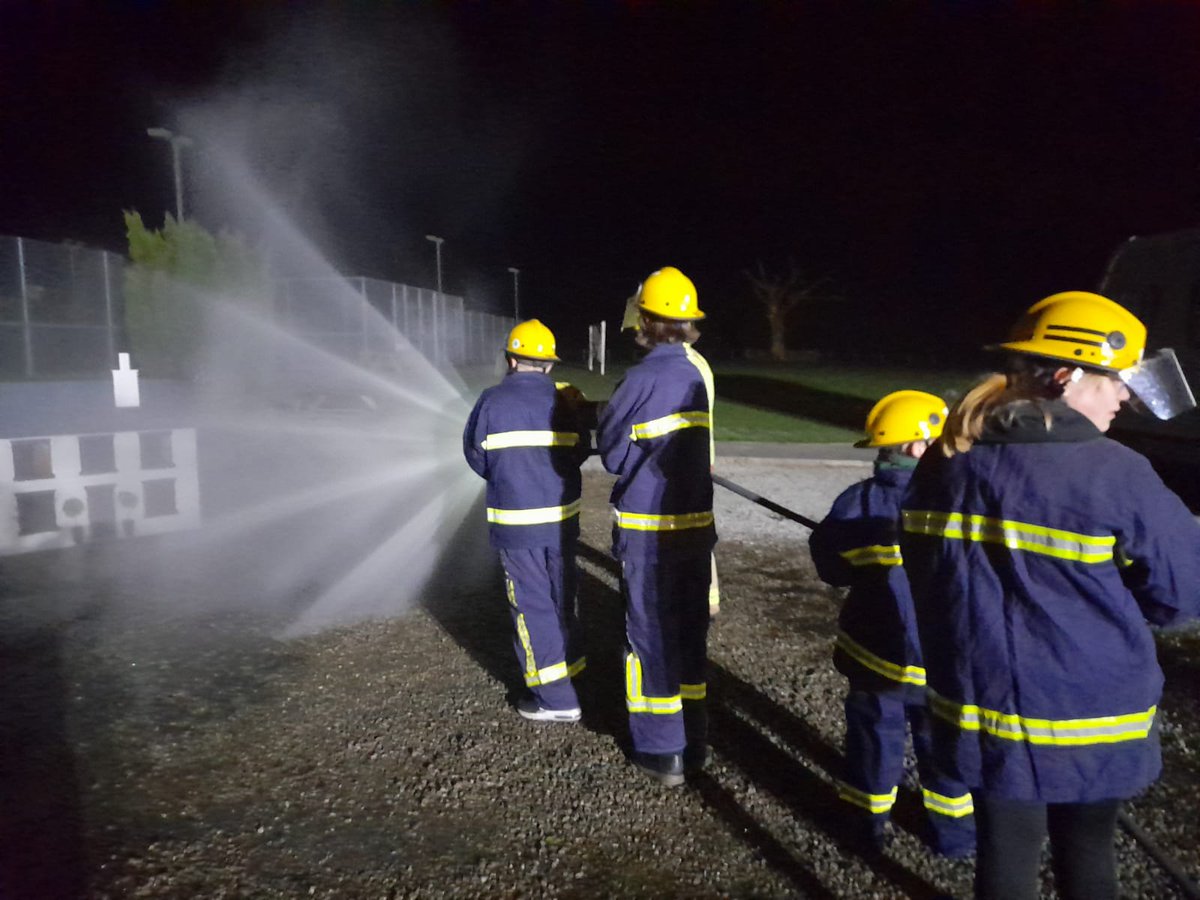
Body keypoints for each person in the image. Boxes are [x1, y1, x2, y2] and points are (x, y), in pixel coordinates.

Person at [899, 291, 1200, 899]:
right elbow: (1183, 595)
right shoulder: (1116, 472)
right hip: (1091, 714)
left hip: (980, 707)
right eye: (1116, 381)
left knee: (1005, 860)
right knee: (1088, 859)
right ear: (1068, 377)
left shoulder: (944, 460)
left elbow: (929, 575)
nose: (1124, 397)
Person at [809, 390, 976, 858]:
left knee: (872, 742)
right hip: (945, 664)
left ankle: (864, 831)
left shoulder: (856, 503)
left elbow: (833, 570)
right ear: (918, 446)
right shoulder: (962, 499)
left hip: (876, 656)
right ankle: (955, 837)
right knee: (945, 748)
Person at [598, 266, 716, 786]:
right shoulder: (694, 374)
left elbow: (613, 454)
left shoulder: (642, 378)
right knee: (689, 637)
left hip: (650, 536)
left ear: (646, 318)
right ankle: (695, 739)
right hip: (695, 530)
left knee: (649, 638)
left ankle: (659, 749)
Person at [463, 319, 591, 722]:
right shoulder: (566, 401)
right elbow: (580, 451)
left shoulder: (491, 401)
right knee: (561, 593)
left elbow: (477, 456)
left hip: (518, 524)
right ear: (549, 365)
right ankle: (568, 671)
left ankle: (556, 700)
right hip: (562, 520)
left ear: (511, 359)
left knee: (531, 604)